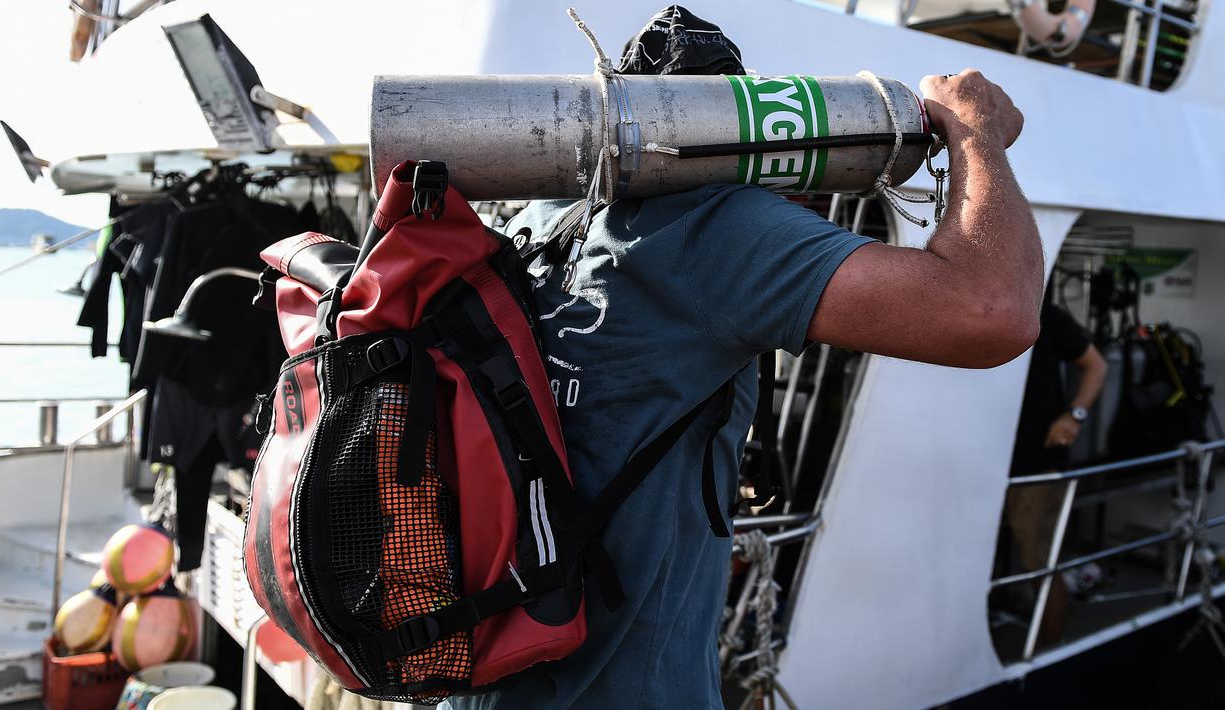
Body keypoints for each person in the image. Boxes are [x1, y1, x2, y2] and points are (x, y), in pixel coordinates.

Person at [444, 9, 1043, 709]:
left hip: (478, 673)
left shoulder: (539, 215)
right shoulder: (713, 224)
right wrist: (976, 132)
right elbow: (989, 311)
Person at [1005, 298, 1108, 645]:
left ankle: (1048, 649)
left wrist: (1074, 416)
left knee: (1039, 561)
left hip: (1037, 460)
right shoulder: (962, 302)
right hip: (977, 458)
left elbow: (1096, 366)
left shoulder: (1041, 310)